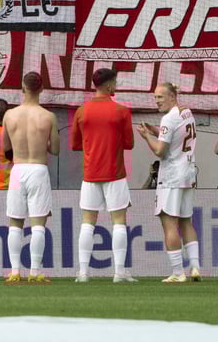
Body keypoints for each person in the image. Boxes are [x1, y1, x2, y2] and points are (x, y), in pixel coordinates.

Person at [69, 68, 136, 283]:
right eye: (115, 82)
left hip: (90, 173)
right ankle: (118, 273)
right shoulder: (122, 111)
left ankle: (83, 272)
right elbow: (129, 143)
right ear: (108, 85)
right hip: (115, 173)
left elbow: (74, 144)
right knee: (118, 222)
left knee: (88, 222)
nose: (116, 85)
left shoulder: (82, 111)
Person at [136, 83, 202, 283]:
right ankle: (195, 268)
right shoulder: (186, 112)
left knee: (168, 223)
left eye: (160, 97)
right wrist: (157, 131)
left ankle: (177, 272)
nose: (157, 101)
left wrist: (147, 136)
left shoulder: (168, 117)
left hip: (172, 176)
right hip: (188, 173)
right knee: (186, 221)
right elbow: (174, 137)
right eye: (155, 97)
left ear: (172, 96)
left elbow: (161, 151)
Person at [0, 72, 59, 283]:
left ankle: (15, 271)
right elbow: (56, 150)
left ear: (22, 88)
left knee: (15, 222)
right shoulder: (48, 116)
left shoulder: (9, 115)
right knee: (38, 224)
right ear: (42, 89)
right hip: (38, 168)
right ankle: (34, 271)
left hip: (17, 169)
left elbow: (5, 147)